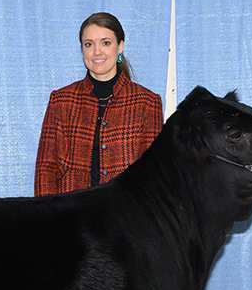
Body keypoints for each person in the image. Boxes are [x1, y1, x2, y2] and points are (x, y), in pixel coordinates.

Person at [34, 12, 163, 195]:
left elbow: (151, 175)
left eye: (106, 43)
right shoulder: (61, 101)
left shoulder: (147, 103)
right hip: (70, 217)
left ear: (120, 47)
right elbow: (45, 170)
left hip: (124, 217)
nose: (96, 52)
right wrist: (48, 218)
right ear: (82, 50)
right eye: (89, 44)